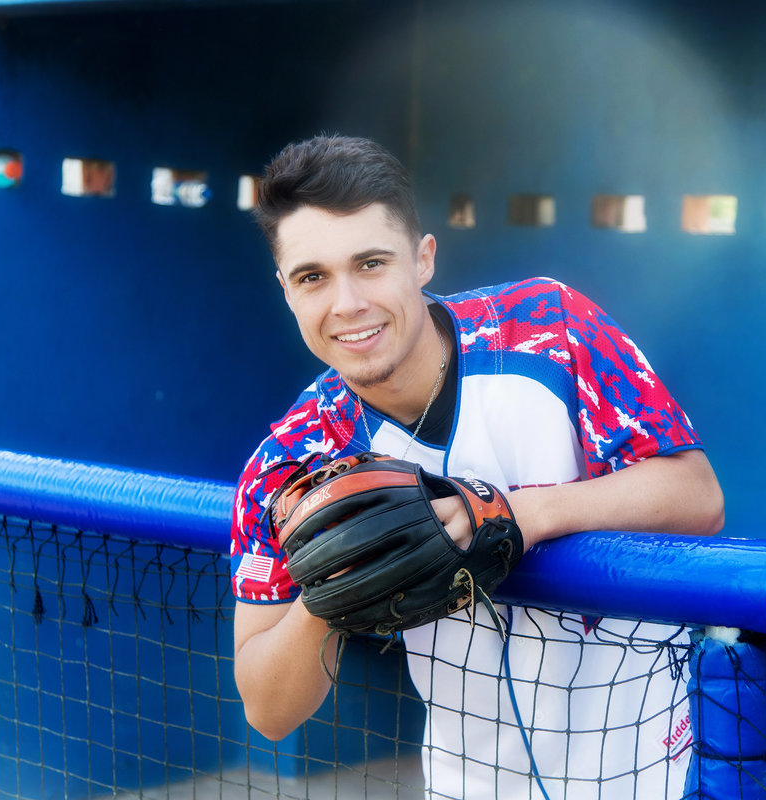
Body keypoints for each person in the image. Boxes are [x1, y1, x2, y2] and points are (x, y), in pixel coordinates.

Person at [230, 135, 725, 799]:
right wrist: (331, 585)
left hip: (647, 767)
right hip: (468, 781)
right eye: (312, 277)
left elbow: (698, 496)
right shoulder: (289, 462)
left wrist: (520, 511)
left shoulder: (549, 328)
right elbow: (268, 710)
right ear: (286, 291)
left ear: (423, 258)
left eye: (371, 263)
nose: (346, 303)